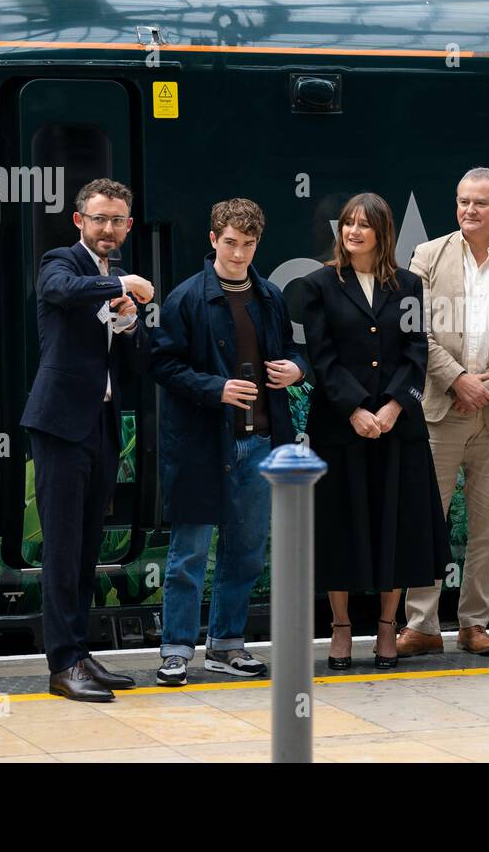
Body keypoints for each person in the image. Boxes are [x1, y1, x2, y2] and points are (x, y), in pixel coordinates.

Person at [150, 199, 306, 686]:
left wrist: (296, 369)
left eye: (249, 244)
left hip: (259, 441)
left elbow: (294, 348)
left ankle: (226, 646)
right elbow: (161, 365)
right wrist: (216, 388)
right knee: (189, 553)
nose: (239, 254)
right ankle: (176, 650)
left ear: (258, 243)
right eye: (231, 243)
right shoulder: (186, 298)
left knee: (245, 551)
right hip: (203, 444)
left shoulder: (270, 295)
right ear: (213, 239)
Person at [398, 167, 489, 658]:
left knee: (488, 527)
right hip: (442, 409)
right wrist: (457, 379)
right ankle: (421, 625)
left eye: (480, 203)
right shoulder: (426, 257)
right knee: (428, 520)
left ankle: (473, 623)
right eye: (462, 201)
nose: (468, 210)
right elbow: (415, 329)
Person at [301, 193, 449, 669]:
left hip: (397, 431)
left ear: (382, 233)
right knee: (339, 528)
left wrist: (390, 409)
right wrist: (355, 410)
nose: (354, 232)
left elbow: (415, 352)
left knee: (395, 527)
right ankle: (341, 628)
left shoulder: (408, 285)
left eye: (365, 225)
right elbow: (321, 357)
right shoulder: (320, 284)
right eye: (348, 224)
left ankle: (388, 627)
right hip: (340, 431)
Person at [20, 177, 154, 702]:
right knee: (62, 547)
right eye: (99, 218)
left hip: (99, 424)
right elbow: (58, 291)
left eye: (117, 219)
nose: (108, 228)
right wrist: (122, 288)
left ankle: (79, 654)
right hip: (58, 424)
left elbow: (138, 363)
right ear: (80, 220)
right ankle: (62, 666)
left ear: (128, 225)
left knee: (86, 547)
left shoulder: (111, 277)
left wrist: (127, 327)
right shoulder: (63, 262)